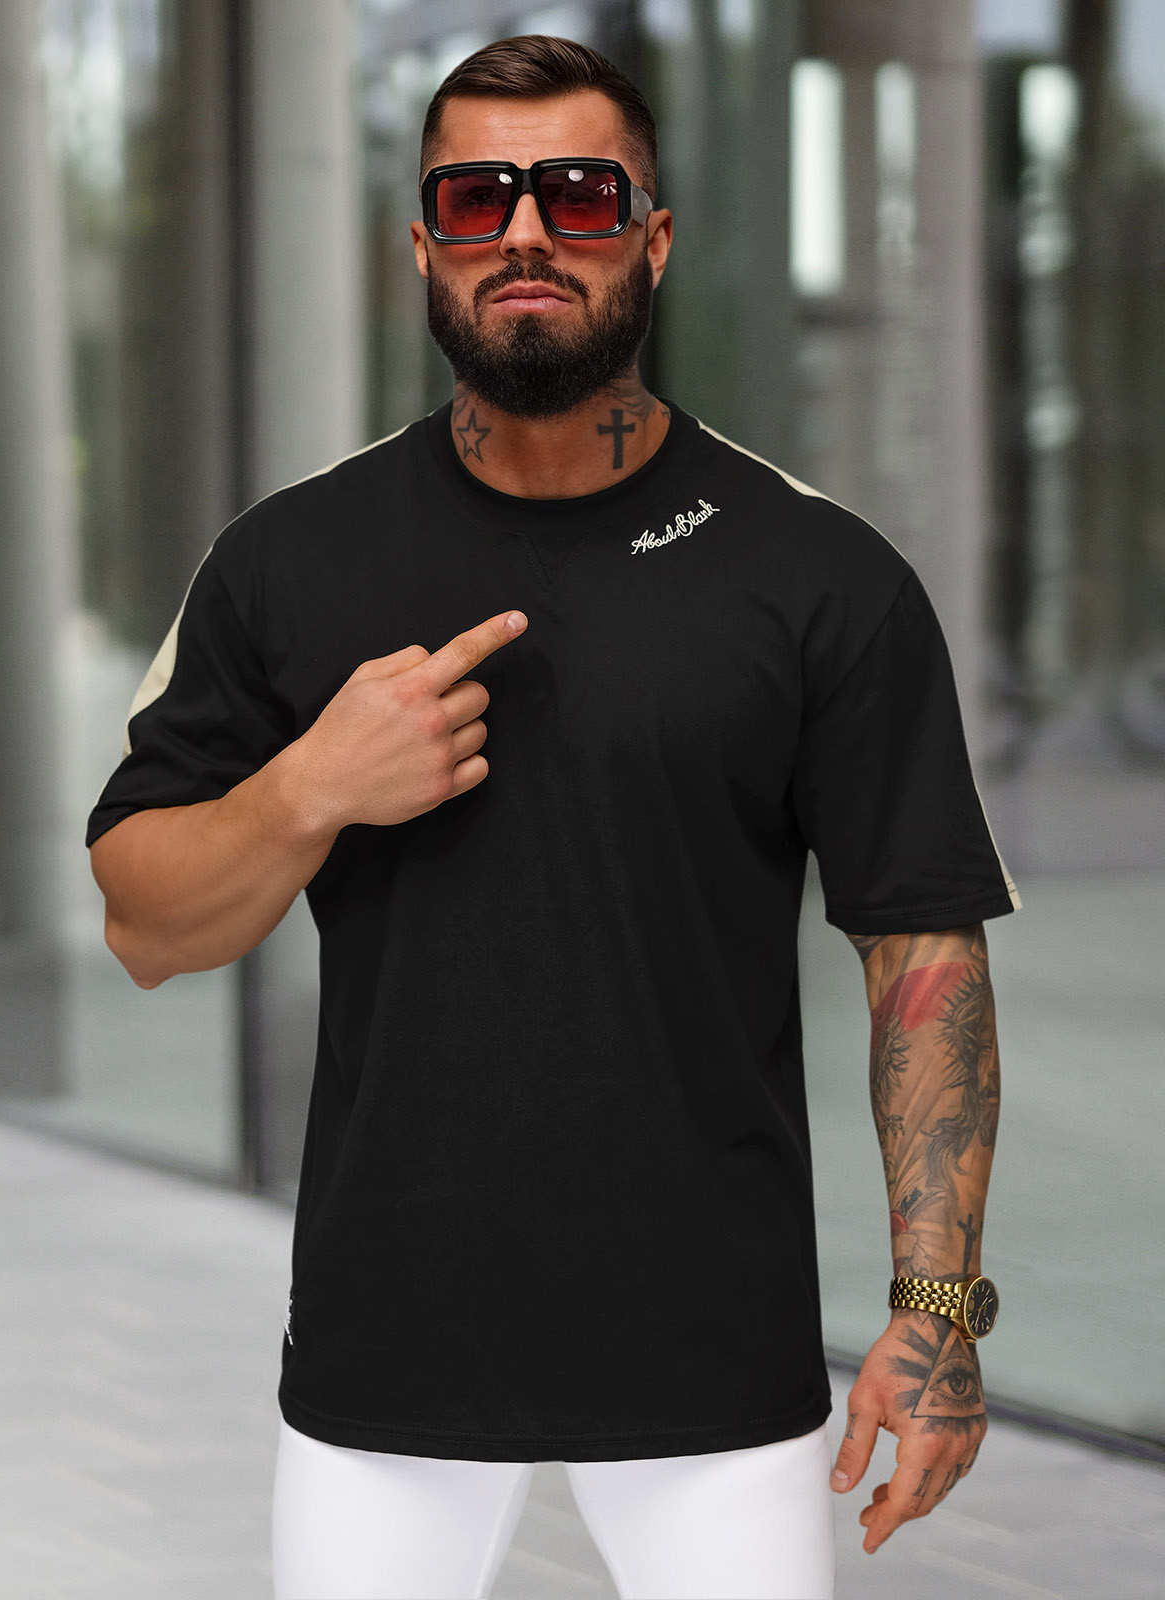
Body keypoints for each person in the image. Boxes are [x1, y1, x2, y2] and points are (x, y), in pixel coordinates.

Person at [86, 34, 1019, 1600]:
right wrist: (315, 786)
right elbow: (142, 923)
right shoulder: (285, 562)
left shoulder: (820, 575)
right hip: (388, 1356)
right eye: (478, 197)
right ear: (425, 245)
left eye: (580, 194)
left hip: (712, 1363)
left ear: (653, 236)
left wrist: (937, 1314)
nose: (526, 231)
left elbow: (920, 951)